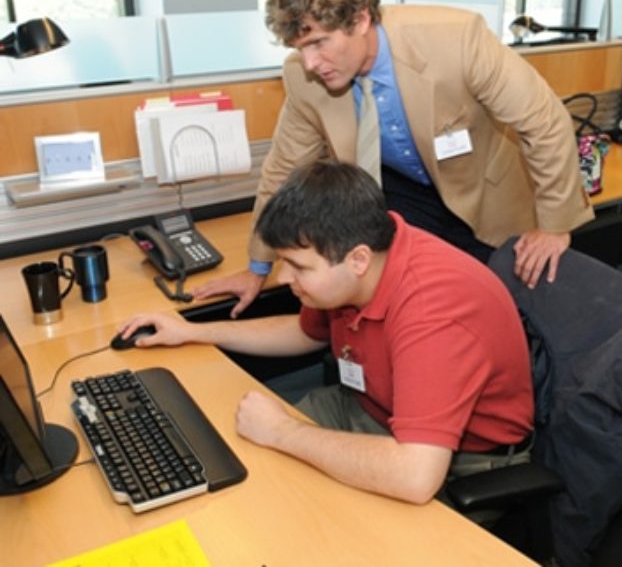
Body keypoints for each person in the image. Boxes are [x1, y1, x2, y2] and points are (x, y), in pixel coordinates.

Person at [192, 0, 594, 318]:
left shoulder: (456, 39)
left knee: (497, 312)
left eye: (319, 43)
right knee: (405, 310)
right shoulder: (303, 78)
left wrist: (555, 227)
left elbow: (544, 121)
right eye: (301, 48)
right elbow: (282, 171)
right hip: (401, 195)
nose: (311, 63)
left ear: (360, 19)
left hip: (482, 189)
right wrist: (258, 266)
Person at [119, 161, 534, 505]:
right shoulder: (361, 264)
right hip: (370, 409)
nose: (284, 277)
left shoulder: (432, 311)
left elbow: (415, 476)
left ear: (357, 260)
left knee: (306, 516)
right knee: (239, 464)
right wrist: (193, 331)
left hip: (459, 461)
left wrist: (283, 432)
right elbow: (303, 334)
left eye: (298, 266)